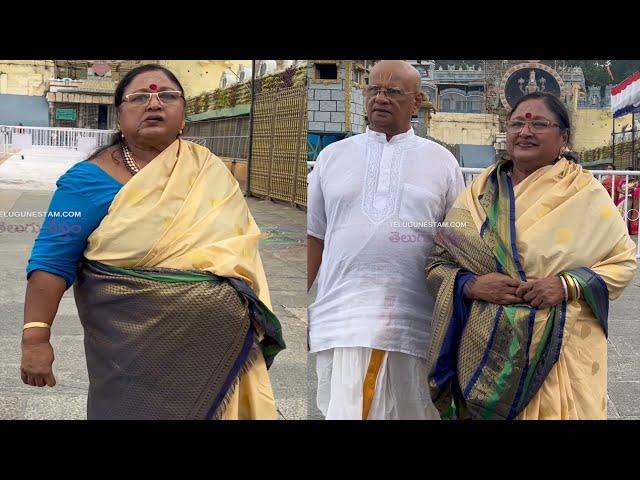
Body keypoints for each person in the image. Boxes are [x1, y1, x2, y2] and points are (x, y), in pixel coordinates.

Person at [20, 64, 285, 420]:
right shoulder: (87, 181)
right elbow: (52, 260)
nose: (154, 103)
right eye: (140, 97)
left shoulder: (208, 170)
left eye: (168, 96)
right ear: (119, 116)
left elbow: (243, 256)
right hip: (130, 359)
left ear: (184, 115)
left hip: (215, 359)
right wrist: (35, 337)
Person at [426, 92, 637, 420]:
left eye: (539, 124)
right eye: (516, 124)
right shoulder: (479, 193)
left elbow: (623, 262)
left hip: (559, 348)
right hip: (488, 355)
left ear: (563, 137)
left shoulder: (585, 194)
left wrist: (567, 286)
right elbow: (439, 261)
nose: (525, 132)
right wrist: (472, 285)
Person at [307, 60, 465, 419]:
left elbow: (457, 239)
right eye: (373, 89)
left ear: (417, 101)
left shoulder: (441, 161)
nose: (380, 98)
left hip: (414, 316)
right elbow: (315, 236)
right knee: (347, 408)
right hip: (343, 313)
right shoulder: (331, 157)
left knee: (415, 410)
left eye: (393, 91)